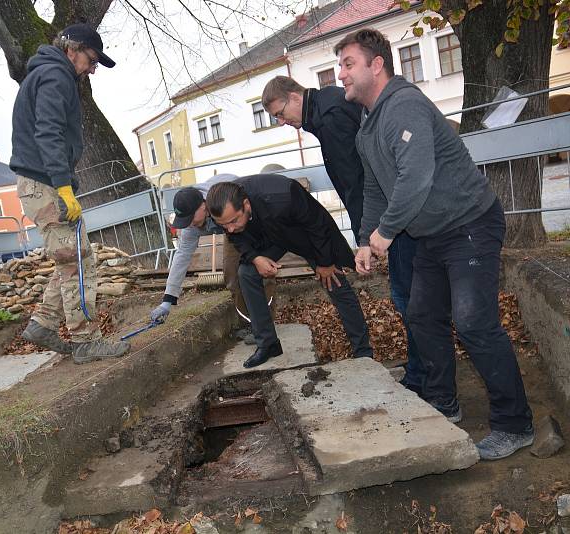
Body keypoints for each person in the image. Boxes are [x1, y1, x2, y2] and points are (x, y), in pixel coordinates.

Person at [336, 27, 533, 460]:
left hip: (470, 224)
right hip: (431, 235)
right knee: (423, 316)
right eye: (340, 66)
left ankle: (515, 424)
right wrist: (366, 240)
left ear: (376, 65)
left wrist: (386, 235)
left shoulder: (404, 105)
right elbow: (374, 187)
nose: (341, 74)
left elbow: (416, 177)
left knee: (474, 321)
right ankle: (444, 402)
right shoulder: (367, 126)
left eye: (348, 64)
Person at [262, 75, 424, 394]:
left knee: (409, 298)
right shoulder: (329, 105)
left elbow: (356, 180)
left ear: (295, 97)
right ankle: (421, 368)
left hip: (393, 219)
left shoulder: (331, 117)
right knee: (411, 294)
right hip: (394, 214)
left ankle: (425, 376)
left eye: (280, 113)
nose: (282, 122)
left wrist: (368, 235)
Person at [9, 23, 129, 364]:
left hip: (40, 183)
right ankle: (85, 341)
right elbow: (49, 133)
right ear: (70, 49)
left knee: (72, 258)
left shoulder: (48, 74)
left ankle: (43, 324)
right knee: (78, 263)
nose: (92, 69)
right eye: (91, 60)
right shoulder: (55, 76)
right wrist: (62, 185)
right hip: (45, 184)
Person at [207, 175, 373, 368]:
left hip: (308, 233)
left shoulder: (283, 194)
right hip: (271, 235)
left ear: (246, 204)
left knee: (335, 282)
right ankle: (268, 344)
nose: (230, 229)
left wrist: (325, 262)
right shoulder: (228, 213)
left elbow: (317, 225)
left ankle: (363, 352)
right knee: (246, 272)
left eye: (234, 221)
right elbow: (235, 237)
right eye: (224, 225)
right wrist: (255, 257)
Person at [150, 173, 274, 335]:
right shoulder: (190, 225)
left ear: (203, 206)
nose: (190, 224)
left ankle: (266, 322)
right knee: (231, 274)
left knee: (257, 270)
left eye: (191, 219)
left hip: (242, 220)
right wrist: (168, 299)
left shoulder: (219, 201)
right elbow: (182, 257)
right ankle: (250, 324)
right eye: (185, 220)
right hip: (230, 232)